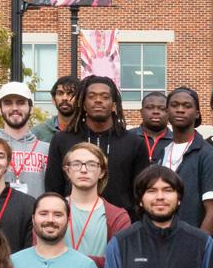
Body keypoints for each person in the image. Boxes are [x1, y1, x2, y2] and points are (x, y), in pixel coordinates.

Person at [45, 75, 149, 214]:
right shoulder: (62, 140)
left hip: (122, 224)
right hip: (72, 222)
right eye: (92, 96)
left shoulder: (134, 142)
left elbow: (142, 191)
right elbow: (53, 188)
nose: (98, 100)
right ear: (83, 103)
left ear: (113, 105)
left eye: (105, 97)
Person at [141, 88, 213, 234]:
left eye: (187, 106)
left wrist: (199, 246)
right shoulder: (163, 152)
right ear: (167, 111)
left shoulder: (208, 155)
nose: (180, 110)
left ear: (197, 113)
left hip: (192, 243)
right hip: (161, 239)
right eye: (174, 105)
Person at [0, 83, 52, 196]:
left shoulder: (48, 150)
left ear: (31, 108)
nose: (14, 108)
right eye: (8, 103)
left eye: (20, 103)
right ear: (0, 110)